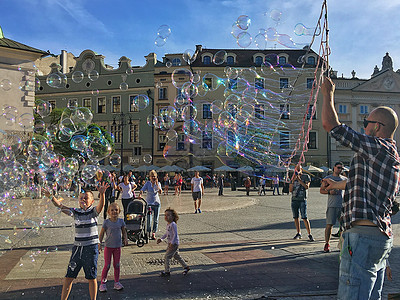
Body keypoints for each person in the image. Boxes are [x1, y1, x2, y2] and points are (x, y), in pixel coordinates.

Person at [321, 76, 399, 300]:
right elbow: (366, 182)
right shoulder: (388, 155)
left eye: (366, 122)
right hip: (379, 237)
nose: (363, 126)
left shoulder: (378, 147)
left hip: (362, 237)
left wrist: (328, 94)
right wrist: (338, 183)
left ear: (377, 127)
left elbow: (332, 127)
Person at [43, 182, 109, 300]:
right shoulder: (75, 212)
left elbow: (101, 206)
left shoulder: (93, 212)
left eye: (86, 198)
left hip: (91, 248)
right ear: (78, 201)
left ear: (92, 201)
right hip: (77, 249)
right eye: (81, 198)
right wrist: (51, 197)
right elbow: (60, 206)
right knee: (69, 276)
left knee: (91, 277)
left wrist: (102, 194)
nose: (83, 200)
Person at [98, 202, 128, 292]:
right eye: (112, 210)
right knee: (107, 265)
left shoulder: (121, 221)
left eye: (116, 210)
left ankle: (117, 282)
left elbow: (124, 231)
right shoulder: (106, 222)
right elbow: (102, 233)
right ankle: (103, 283)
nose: (114, 212)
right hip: (108, 247)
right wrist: (99, 243)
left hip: (117, 247)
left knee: (117, 265)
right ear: (108, 212)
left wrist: (125, 238)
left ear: (119, 211)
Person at [319, 162, 346, 253]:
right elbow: (321, 191)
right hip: (332, 205)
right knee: (329, 225)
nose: (340, 170)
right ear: (334, 168)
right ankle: (327, 243)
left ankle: (342, 244)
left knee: (343, 226)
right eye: (338, 168)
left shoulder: (344, 179)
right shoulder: (327, 179)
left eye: (342, 168)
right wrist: (329, 192)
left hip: (342, 206)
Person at [156, 208, 190, 277]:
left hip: (173, 244)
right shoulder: (168, 224)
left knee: (167, 257)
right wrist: (161, 239)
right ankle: (186, 267)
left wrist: (172, 243)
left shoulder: (173, 224)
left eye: (168, 215)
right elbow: (166, 233)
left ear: (173, 217)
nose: (166, 217)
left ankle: (167, 271)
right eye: (165, 215)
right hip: (171, 243)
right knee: (177, 256)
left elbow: (175, 234)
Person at [289, 165, 314, 242]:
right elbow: (290, 190)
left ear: (301, 169)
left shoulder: (306, 176)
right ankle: (298, 233)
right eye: (296, 169)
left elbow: (306, 187)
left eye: (298, 169)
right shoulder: (292, 177)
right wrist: (293, 181)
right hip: (294, 199)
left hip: (302, 199)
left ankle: (309, 234)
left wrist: (299, 180)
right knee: (295, 217)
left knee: (304, 217)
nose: (297, 170)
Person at [139, 170, 162, 240]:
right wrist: (140, 194)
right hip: (149, 203)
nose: (153, 178)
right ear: (150, 177)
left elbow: (160, 192)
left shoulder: (158, 183)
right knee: (149, 219)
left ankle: (153, 233)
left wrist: (157, 185)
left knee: (156, 219)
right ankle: (148, 232)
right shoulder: (147, 183)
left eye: (154, 176)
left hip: (156, 203)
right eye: (152, 176)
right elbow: (142, 189)